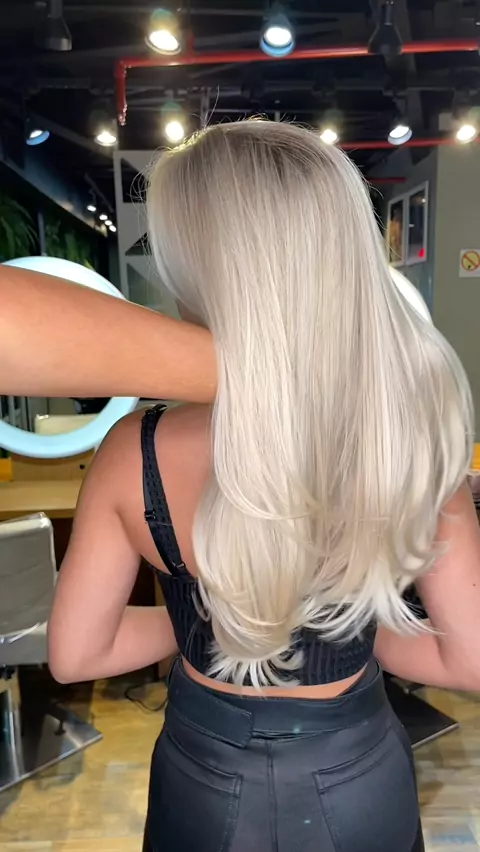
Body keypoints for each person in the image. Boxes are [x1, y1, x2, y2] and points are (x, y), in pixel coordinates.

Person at [4, 120, 480, 851]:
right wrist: (339, 633)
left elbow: (76, 656)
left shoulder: (134, 453)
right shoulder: (411, 434)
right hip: (361, 787)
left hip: (202, 786)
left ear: (201, 273)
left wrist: (222, 625)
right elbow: (468, 656)